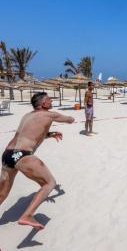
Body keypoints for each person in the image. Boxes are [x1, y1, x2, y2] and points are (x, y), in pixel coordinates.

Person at [0, 92, 74, 229]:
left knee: (2, 194)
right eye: (48, 99)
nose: (51, 100)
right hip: (21, 155)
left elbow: (30, 134)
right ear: (42, 104)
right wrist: (71, 117)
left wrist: (50, 134)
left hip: (8, 155)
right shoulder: (49, 114)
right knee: (49, 183)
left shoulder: (26, 116)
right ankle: (27, 215)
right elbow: (70, 119)